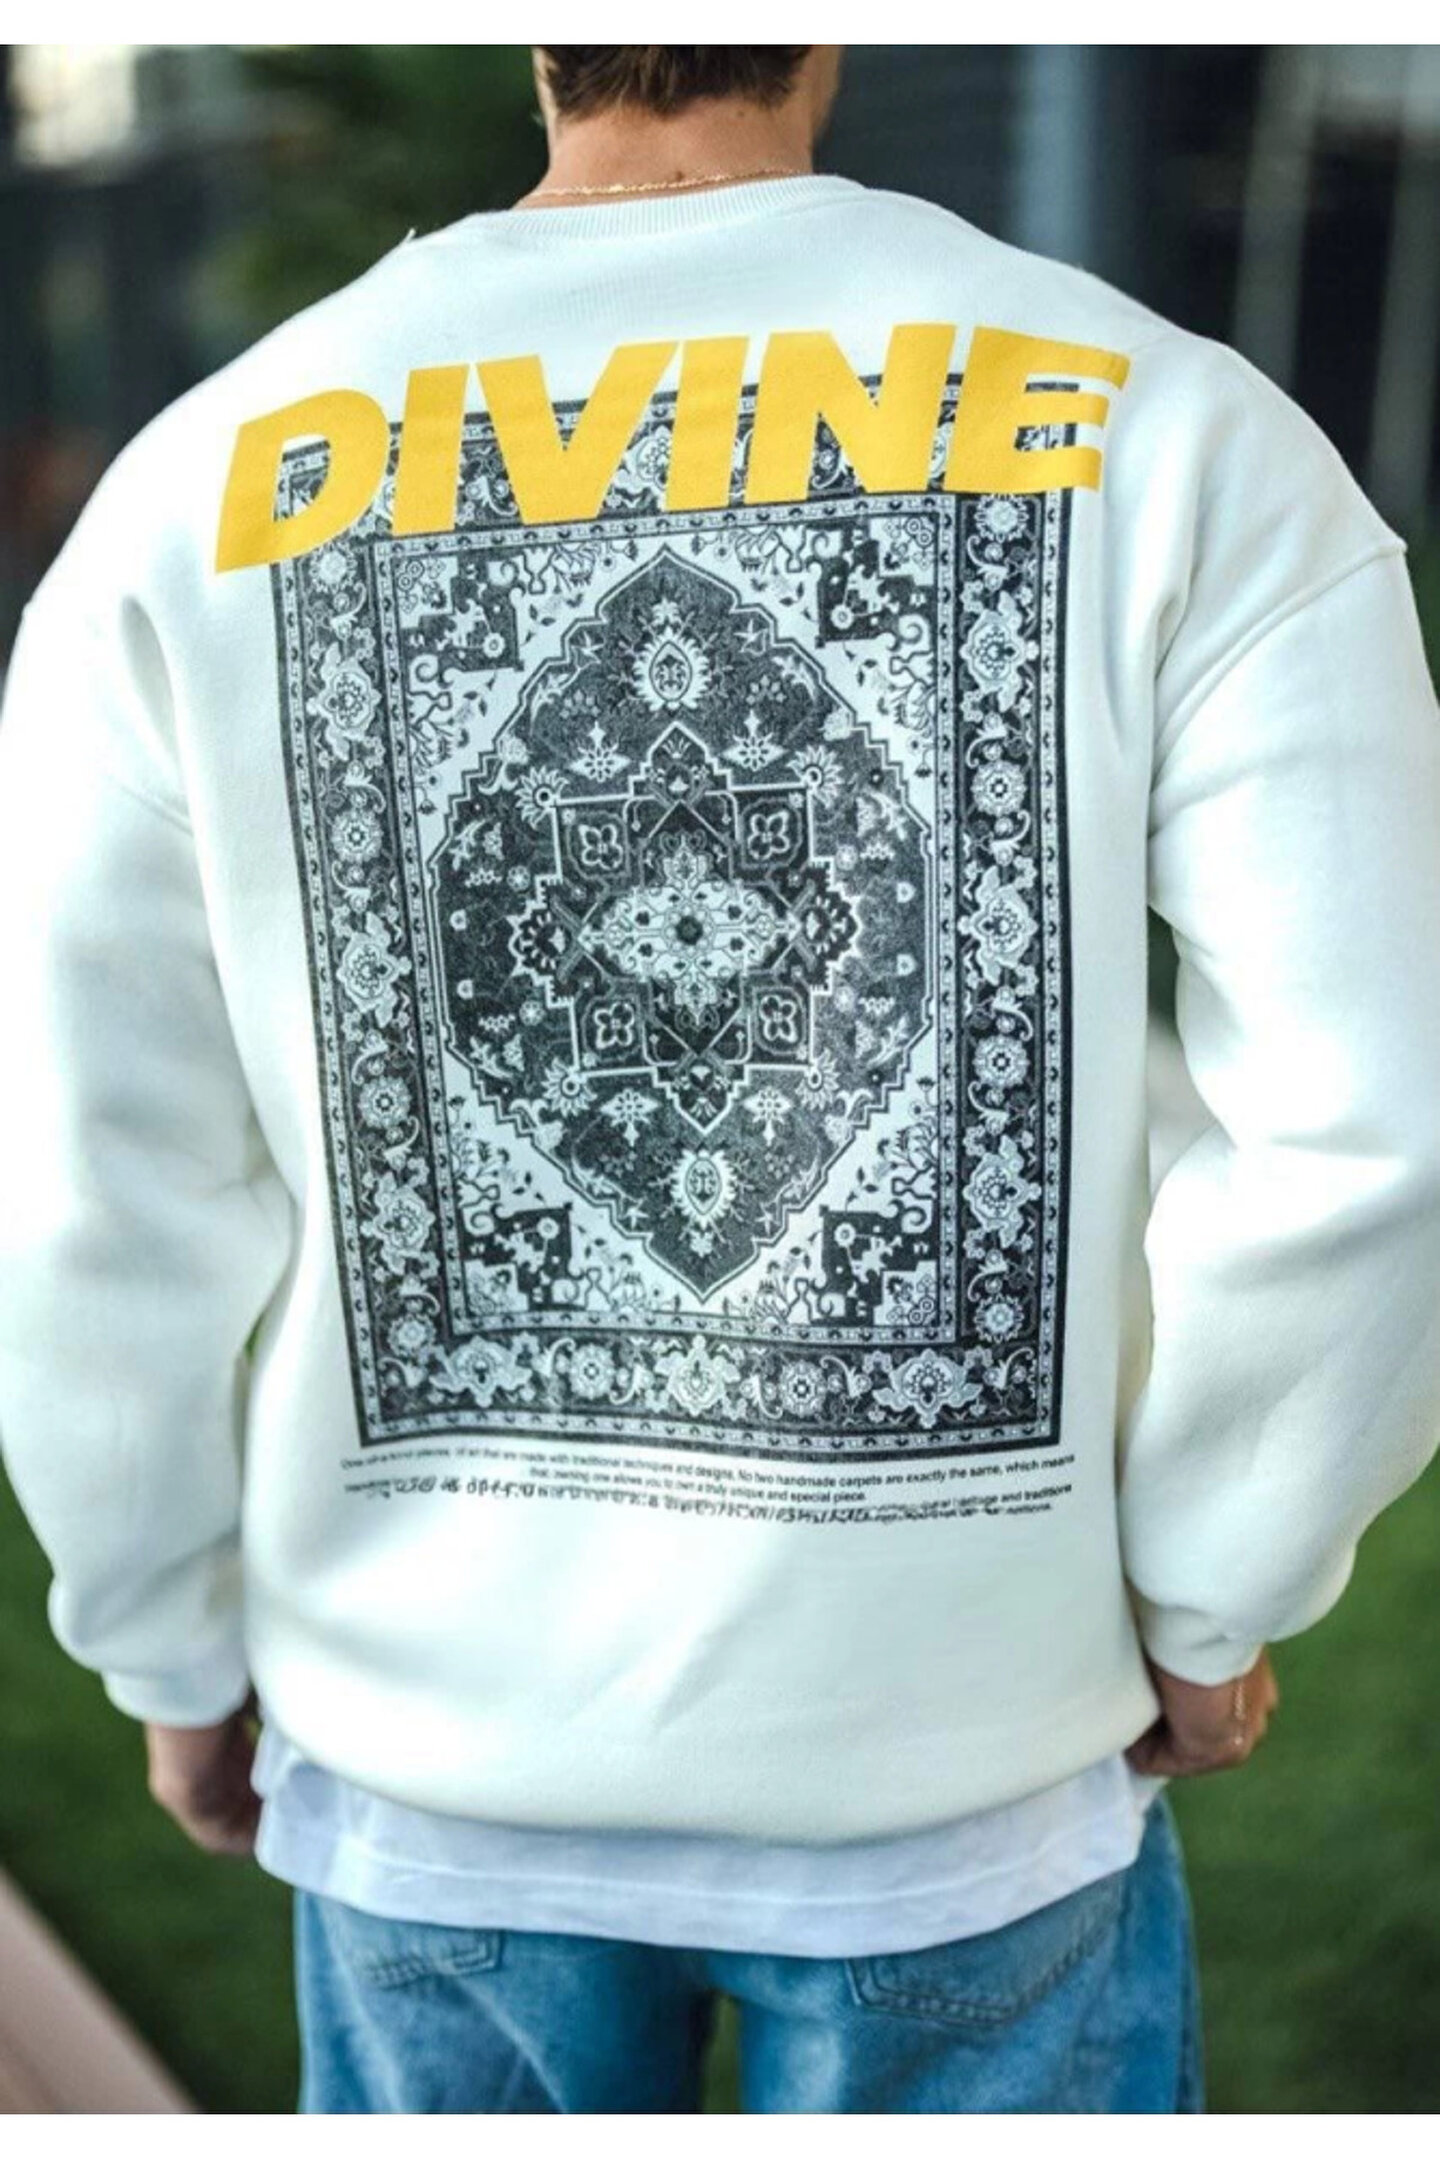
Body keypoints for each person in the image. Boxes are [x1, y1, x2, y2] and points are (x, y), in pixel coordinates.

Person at [0, 41, 1436, 2116]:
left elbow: (86, 1173)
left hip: (432, 1770)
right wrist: (1221, 1580)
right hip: (968, 1772)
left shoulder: (198, 488)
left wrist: (163, 1634)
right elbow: (1370, 1119)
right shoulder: (1174, 431)